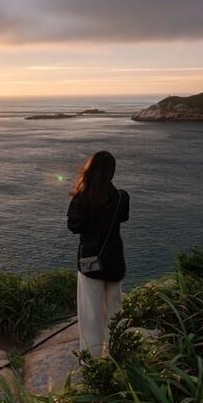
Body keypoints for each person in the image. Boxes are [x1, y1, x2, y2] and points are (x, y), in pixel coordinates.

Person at [66, 150, 130, 356]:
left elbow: (74, 226)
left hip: (91, 261)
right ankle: (118, 355)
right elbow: (123, 217)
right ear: (112, 172)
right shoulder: (121, 197)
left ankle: (91, 363)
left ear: (90, 170)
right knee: (115, 312)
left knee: (91, 315)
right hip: (114, 260)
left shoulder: (82, 199)